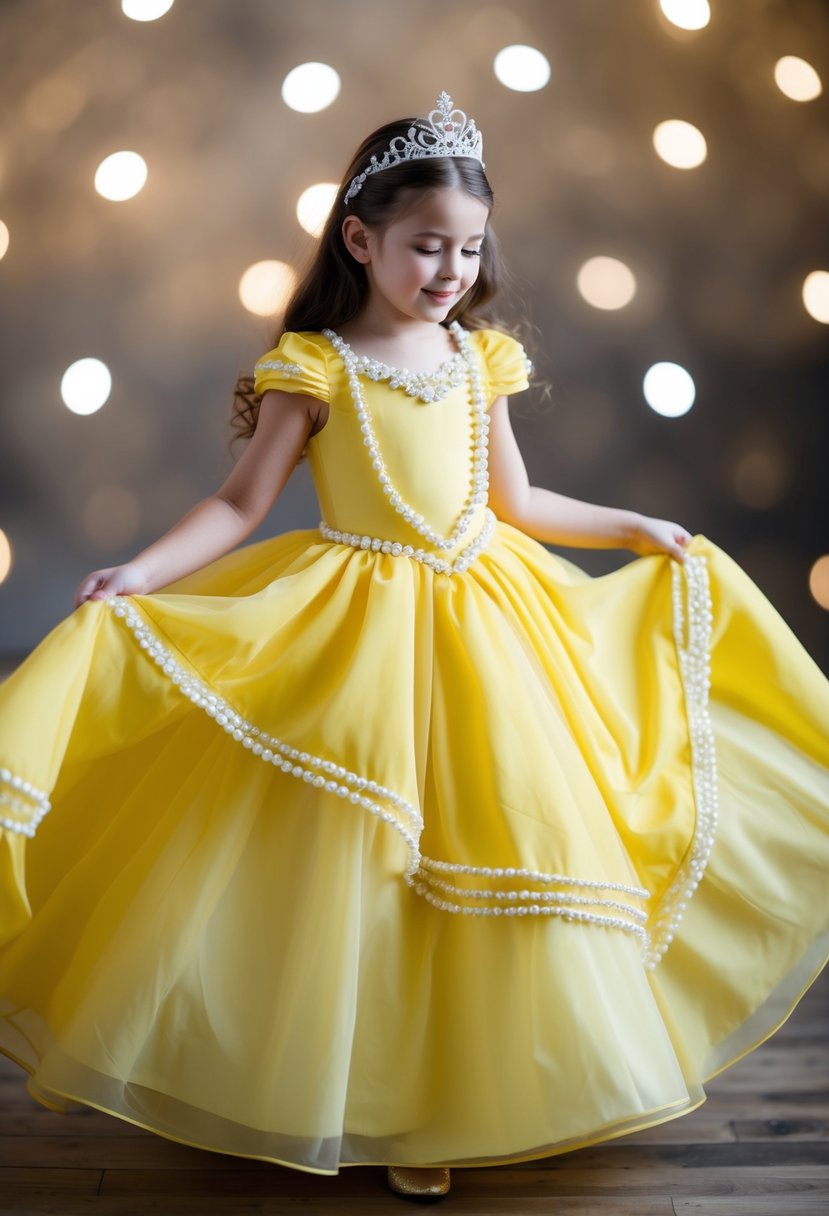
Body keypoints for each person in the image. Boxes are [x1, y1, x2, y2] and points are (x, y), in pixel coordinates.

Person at [0, 92, 827, 1204]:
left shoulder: (477, 358)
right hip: (354, 625)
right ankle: (372, 1093)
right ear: (362, 238)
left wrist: (632, 528)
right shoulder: (318, 364)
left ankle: (452, 1097)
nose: (449, 269)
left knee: (503, 833)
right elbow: (241, 505)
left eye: (469, 249)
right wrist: (143, 572)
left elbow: (518, 500)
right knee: (364, 866)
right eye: (427, 246)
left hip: (493, 616)